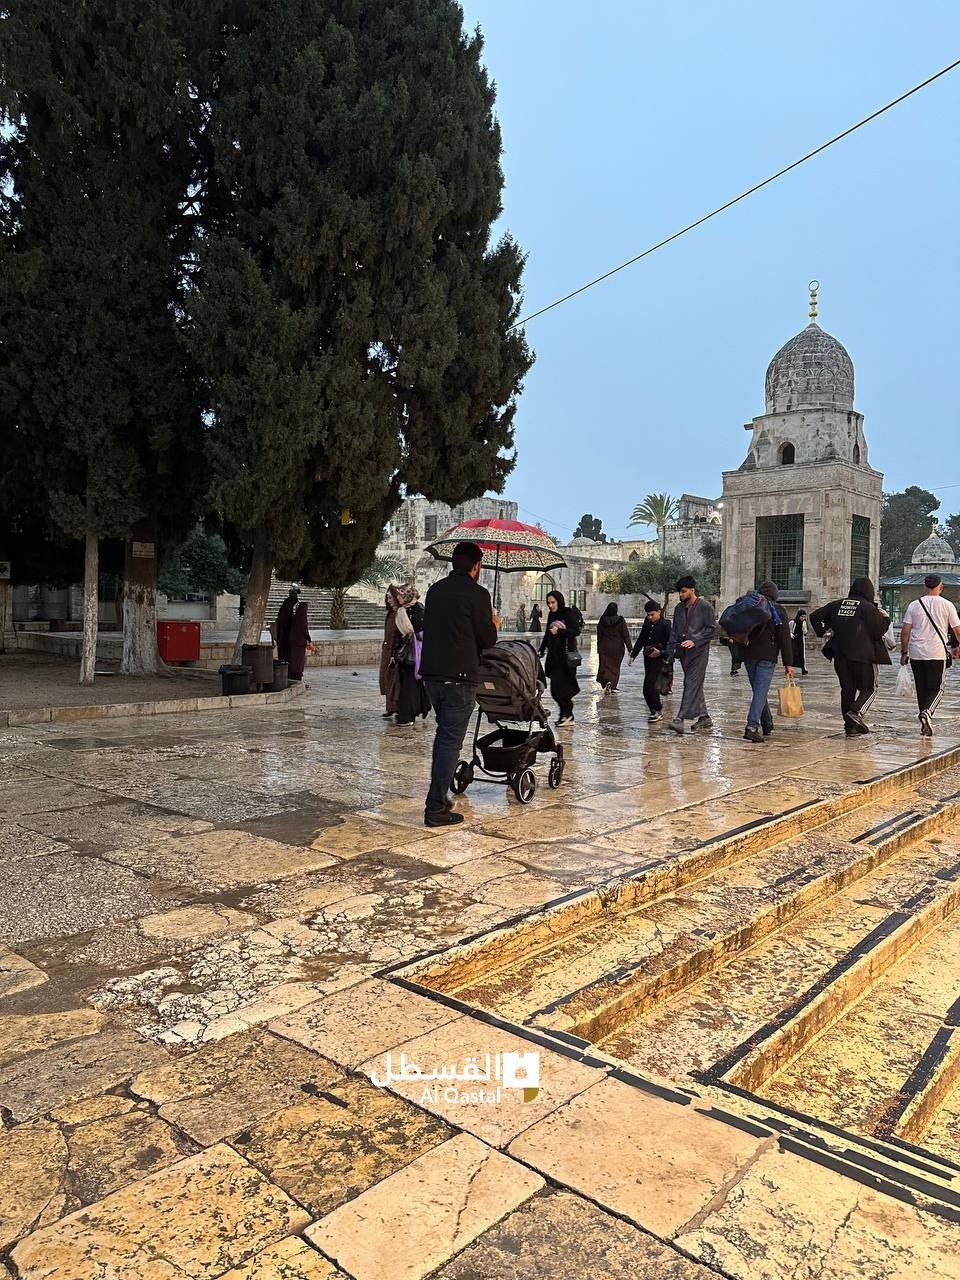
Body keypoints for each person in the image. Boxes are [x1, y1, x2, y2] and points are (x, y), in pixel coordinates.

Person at [419, 543, 499, 827]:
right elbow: (487, 640)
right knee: (449, 742)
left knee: (444, 738)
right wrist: (494, 623)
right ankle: (435, 807)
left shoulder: (435, 590)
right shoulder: (478, 594)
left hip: (432, 676)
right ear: (476, 566)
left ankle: (440, 798)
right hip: (459, 679)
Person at [811, 578, 890, 735]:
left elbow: (814, 616)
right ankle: (856, 713)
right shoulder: (868, 608)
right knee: (869, 688)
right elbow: (878, 631)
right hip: (864, 656)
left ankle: (849, 727)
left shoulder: (837, 604)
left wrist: (824, 631)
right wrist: (886, 619)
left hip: (840, 655)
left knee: (847, 689)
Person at [899, 574, 960, 737]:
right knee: (937, 688)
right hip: (936, 652)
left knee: (922, 688)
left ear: (925, 587)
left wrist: (904, 652)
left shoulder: (914, 605)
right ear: (941, 587)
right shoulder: (947, 605)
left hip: (916, 652)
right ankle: (927, 712)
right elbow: (957, 630)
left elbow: (905, 633)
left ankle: (924, 722)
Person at [740, 581, 794, 742]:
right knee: (760, 691)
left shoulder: (750, 607)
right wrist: (788, 663)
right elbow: (785, 639)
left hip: (749, 655)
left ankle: (767, 723)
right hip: (767, 656)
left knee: (758, 691)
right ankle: (751, 727)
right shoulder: (778, 609)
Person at [665, 576, 717, 734]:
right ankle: (704, 717)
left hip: (699, 653)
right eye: (679, 592)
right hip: (683, 653)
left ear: (692, 590)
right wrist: (671, 650)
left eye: (683, 591)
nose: (680, 594)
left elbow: (712, 629)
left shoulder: (705, 607)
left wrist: (695, 640)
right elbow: (675, 631)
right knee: (694, 684)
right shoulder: (678, 609)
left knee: (690, 683)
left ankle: (680, 719)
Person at [539, 591, 582, 726]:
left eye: (553, 602)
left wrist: (560, 631)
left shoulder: (567, 613)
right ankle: (566, 715)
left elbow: (576, 631)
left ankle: (567, 715)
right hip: (554, 657)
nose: (550, 605)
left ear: (559, 601)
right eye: (548, 603)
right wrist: (542, 649)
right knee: (555, 690)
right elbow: (547, 634)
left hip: (566, 657)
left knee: (563, 689)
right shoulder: (551, 615)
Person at [393, 585, 431, 726]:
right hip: (404, 654)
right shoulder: (402, 611)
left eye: (400, 595)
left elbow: (422, 633)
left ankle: (407, 716)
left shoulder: (419, 610)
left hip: (414, 655)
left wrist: (410, 631)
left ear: (408, 596)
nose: (398, 598)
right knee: (411, 683)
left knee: (409, 685)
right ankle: (422, 707)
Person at [629, 598, 672, 722]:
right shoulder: (647, 623)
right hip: (648, 658)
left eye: (652, 615)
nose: (650, 617)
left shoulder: (665, 625)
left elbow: (671, 644)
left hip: (660, 660)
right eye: (648, 615)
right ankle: (653, 710)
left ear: (659, 612)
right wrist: (633, 655)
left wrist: (661, 653)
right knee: (646, 689)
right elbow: (641, 639)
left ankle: (657, 711)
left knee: (653, 686)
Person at [596, 601, 632, 693]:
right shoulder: (620, 620)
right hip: (617, 647)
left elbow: (599, 635)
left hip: (604, 646)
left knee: (605, 665)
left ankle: (607, 682)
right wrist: (630, 649)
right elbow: (625, 635)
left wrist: (598, 648)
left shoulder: (602, 620)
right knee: (615, 666)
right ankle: (612, 685)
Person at [379, 587, 401, 719]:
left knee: (394, 680)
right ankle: (390, 707)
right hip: (387, 651)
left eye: (391, 597)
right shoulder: (390, 614)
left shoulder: (400, 614)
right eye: (387, 597)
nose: (388, 600)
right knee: (386, 678)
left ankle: (396, 707)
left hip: (395, 651)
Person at [286, 592, 311, 680]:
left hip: (293, 641)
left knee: (294, 657)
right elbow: (305, 630)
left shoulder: (296, 617)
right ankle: (297, 673)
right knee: (299, 659)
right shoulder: (303, 618)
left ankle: (293, 672)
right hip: (300, 642)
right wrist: (309, 640)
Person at [275, 585, 299, 665]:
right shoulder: (290, 602)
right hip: (285, 631)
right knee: (285, 651)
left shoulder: (287, 602)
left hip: (284, 630)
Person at [792, 609, 809, 674]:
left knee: (802, 654)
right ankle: (789, 668)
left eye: (804, 616)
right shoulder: (793, 622)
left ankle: (803, 668)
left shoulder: (803, 623)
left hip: (800, 640)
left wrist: (804, 627)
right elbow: (789, 630)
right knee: (793, 654)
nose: (803, 618)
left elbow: (805, 632)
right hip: (794, 640)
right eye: (802, 616)